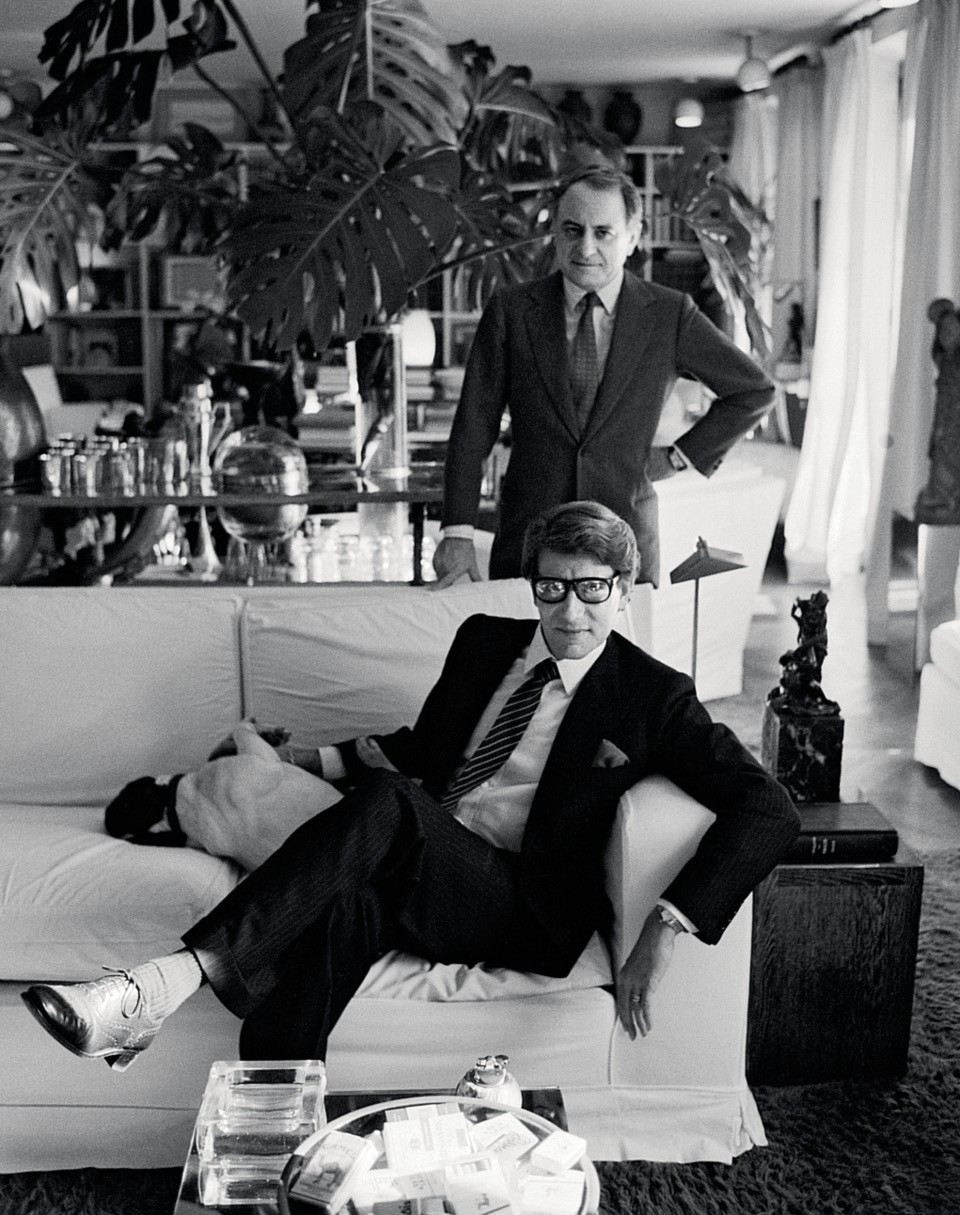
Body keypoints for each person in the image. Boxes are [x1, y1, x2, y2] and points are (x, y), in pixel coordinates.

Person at [21, 501, 798, 1072]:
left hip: (521, 904)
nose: (570, 610)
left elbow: (768, 807)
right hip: (428, 863)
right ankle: (268, 1120)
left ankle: (163, 981)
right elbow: (420, 749)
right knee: (341, 905)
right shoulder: (484, 641)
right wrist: (307, 760)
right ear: (532, 586)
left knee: (392, 806)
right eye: (552, 587)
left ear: (623, 589)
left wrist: (667, 925)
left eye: (591, 589)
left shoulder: (652, 694)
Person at [433, 163, 776, 589]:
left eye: (603, 233)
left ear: (633, 236)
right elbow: (473, 427)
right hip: (529, 540)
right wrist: (458, 532)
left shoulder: (670, 315)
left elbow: (753, 391)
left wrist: (679, 457)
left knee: (622, 639)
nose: (586, 247)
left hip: (624, 543)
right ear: (555, 232)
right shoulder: (512, 311)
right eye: (572, 230)